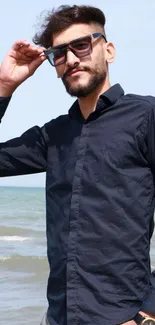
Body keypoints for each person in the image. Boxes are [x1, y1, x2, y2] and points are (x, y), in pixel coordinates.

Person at [0, 4, 155, 325]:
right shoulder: (53, 135)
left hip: (124, 315)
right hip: (58, 315)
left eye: (81, 45)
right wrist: (4, 87)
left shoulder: (146, 117)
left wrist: (148, 313)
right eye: (59, 53)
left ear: (108, 50)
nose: (71, 59)